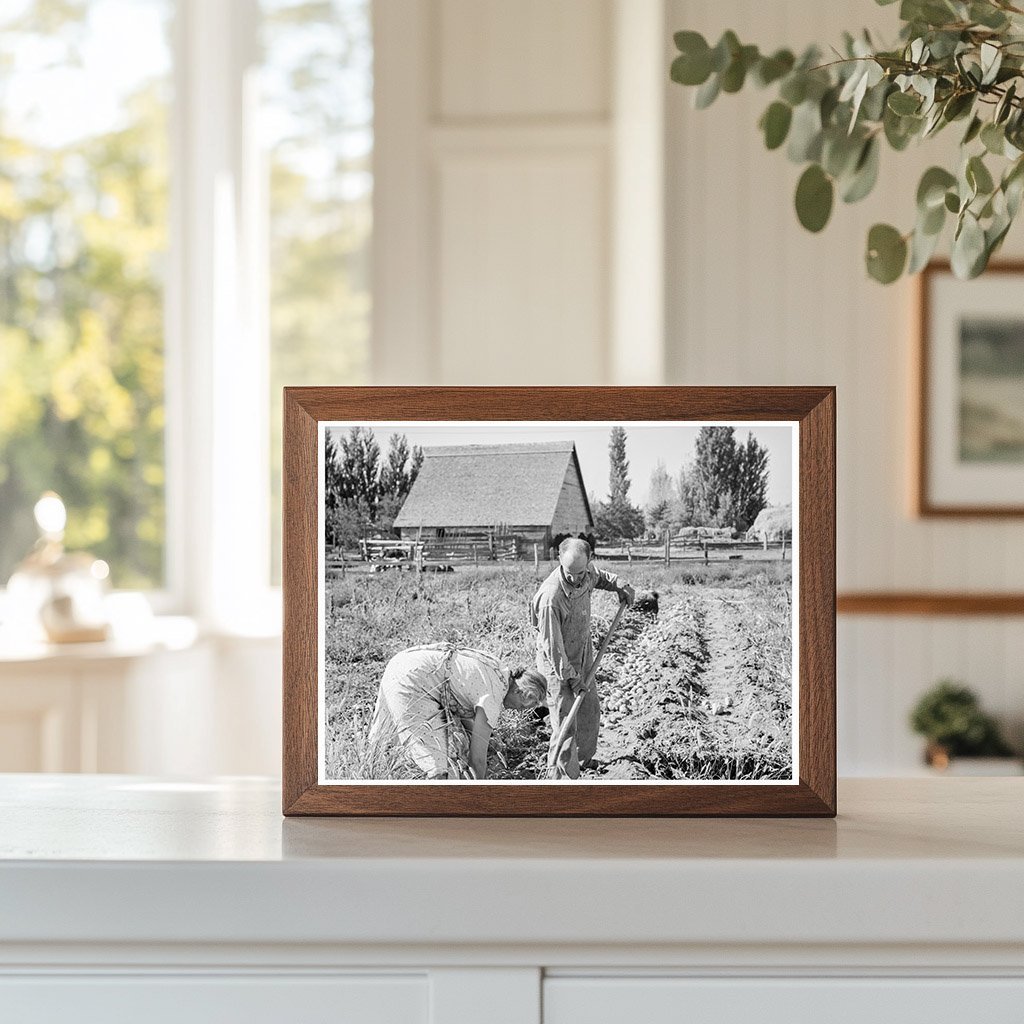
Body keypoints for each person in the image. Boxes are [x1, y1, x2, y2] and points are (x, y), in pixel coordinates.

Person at [530, 537, 635, 779]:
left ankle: (584, 762)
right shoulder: (551, 598)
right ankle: (563, 776)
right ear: (559, 560)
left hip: (582, 651)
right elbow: (553, 648)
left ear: (588, 561)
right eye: (570, 573)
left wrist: (620, 584)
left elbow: (601, 577)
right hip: (557, 664)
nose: (576, 578)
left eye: (580, 572)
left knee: (589, 709)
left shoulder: (585, 572)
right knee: (565, 720)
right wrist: (572, 677)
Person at [368, 643, 547, 780]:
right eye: (523, 705)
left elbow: (470, 726)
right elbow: (477, 760)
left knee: (383, 743)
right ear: (518, 691)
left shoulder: (499, 671)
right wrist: (480, 795)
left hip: (403, 661)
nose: (518, 710)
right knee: (436, 763)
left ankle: (373, 777)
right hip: (413, 680)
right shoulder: (493, 698)